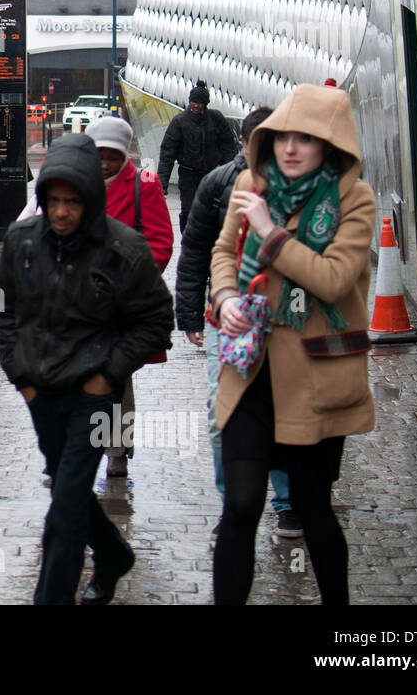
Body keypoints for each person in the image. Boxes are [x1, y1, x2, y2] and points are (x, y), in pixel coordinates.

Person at [209, 83, 375, 605]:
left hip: (314, 378)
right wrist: (225, 298)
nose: (291, 149)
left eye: (307, 138)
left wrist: (271, 233)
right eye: (282, 137)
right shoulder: (249, 184)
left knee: (312, 507)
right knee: (239, 505)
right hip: (252, 372)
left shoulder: (354, 201)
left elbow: (332, 279)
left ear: (331, 144)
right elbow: (223, 252)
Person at [0, 134, 173, 604]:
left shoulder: (123, 250)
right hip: (41, 392)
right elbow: (4, 307)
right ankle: (113, 553)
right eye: (53, 201)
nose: (61, 212)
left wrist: (108, 375)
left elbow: (157, 320)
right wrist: (21, 374)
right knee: (69, 487)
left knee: (66, 506)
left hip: (93, 397)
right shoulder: (22, 242)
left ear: (89, 200)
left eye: (72, 202)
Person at [173, 106, 301, 538]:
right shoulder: (219, 183)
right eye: (259, 144)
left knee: (285, 405)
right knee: (220, 408)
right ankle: (234, 503)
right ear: (243, 143)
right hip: (228, 316)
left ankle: (287, 502)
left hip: (285, 319)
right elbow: (196, 251)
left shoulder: (302, 186)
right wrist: (189, 311)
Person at [84, 117, 174, 478]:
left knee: (114, 378)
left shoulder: (143, 185)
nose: (104, 163)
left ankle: (117, 448)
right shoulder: (74, 183)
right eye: (98, 155)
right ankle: (79, 449)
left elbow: (161, 243)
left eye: (112, 156)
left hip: (121, 303)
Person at [157, 80, 238, 231]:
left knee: (211, 210)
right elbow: (167, 153)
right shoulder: (180, 122)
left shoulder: (216, 119)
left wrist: (230, 173)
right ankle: (187, 238)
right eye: (193, 102)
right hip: (188, 175)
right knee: (188, 210)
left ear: (205, 104)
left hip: (212, 174)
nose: (195, 106)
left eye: (199, 103)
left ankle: (207, 242)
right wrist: (162, 183)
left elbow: (228, 146)